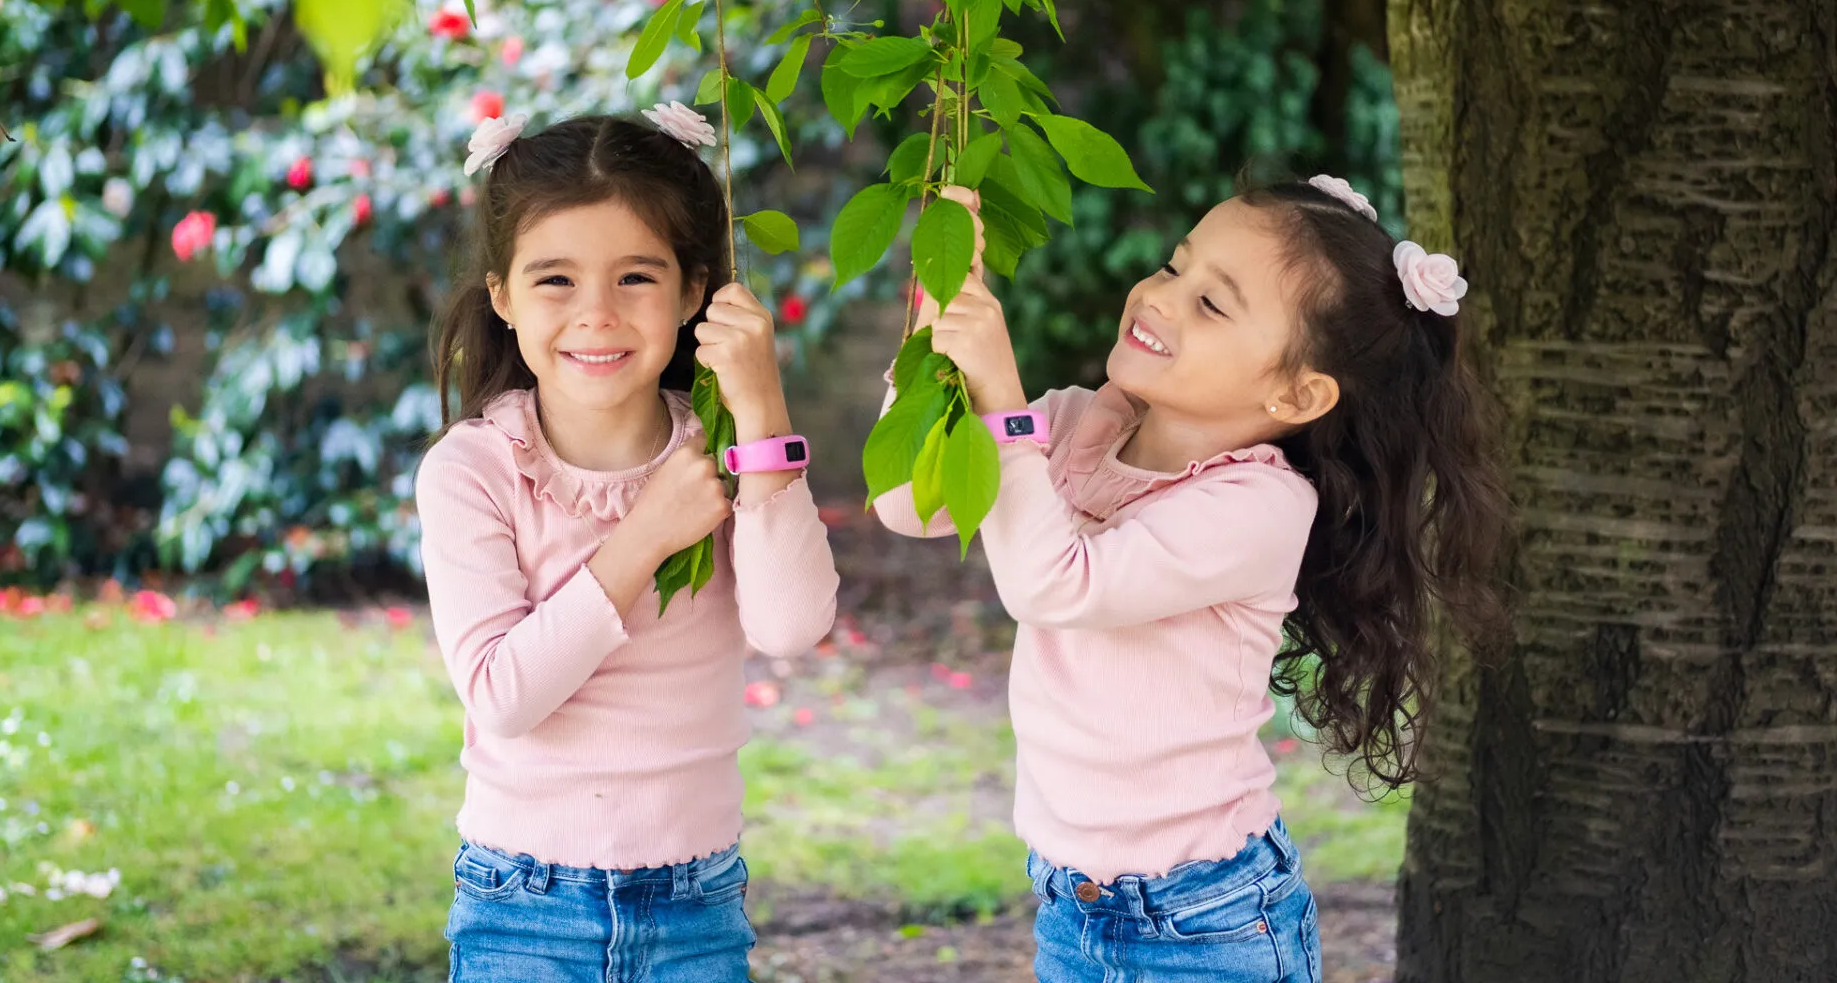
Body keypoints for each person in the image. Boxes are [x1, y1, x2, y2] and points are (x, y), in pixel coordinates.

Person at [874, 175, 1508, 982]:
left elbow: (1056, 585)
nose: (1162, 297)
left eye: (1214, 304)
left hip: (1205, 927)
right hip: (1075, 908)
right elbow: (904, 501)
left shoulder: (1261, 504)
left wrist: (1001, 399)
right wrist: (931, 330)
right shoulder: (1070, 428)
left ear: (1297, 391)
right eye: (1176, 267)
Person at [416, 106, 839, 983]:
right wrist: (645, 534)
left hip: (695, 903)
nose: (596, 315)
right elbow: (501, 694)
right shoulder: (474, 472)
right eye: (556, 281)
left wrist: (761, 412)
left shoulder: (723, 449)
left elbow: (791, 624)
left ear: (694, 291)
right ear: (502, 296)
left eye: (636, 278)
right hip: (522, 907)